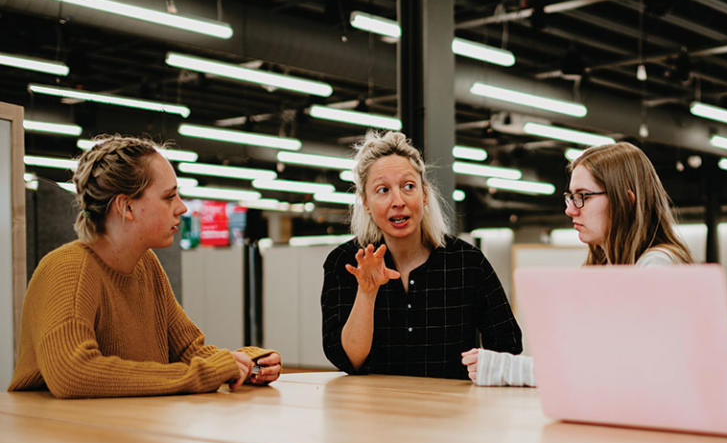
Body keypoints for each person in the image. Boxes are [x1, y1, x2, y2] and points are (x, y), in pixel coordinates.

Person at [8, 135, 282, 398]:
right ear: (126, 207)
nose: (182, 208)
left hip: (118, 432)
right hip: (55, 437)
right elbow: (72, 373)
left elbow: (190, 351)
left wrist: (248, 363)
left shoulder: (146, 265)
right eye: (169, 197)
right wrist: (201, 374)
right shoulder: (67, 269)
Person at [463, 141, 693, 386]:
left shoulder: (658, 268)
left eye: (583, 197)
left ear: (626, 201)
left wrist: (507, 369)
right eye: (570, 197)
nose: (571, 210)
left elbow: (616, 373)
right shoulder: (606, 269)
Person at [321, 130, 522, 379]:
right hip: (372, 411)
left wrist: (484, 365)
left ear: (424, 194)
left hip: (453, 411)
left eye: (408, 186)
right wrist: (367, 292)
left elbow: (508, 346)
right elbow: (349, 361)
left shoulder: (467, 262)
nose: (398, 201)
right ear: (365, 202)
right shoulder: (346, 262)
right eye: (382, 190)